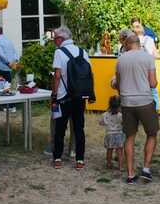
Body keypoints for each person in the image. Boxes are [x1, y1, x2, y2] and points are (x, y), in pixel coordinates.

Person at [115, 32, 159, 184]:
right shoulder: (148, 57)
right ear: (139, 44)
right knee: (152, 134)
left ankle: (130, 173)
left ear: (127, 44)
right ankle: (146, 168)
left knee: (130, 137)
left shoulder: (120, 60)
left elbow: (118, 84)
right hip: (145, 100)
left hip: (127, 102)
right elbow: (153, 84)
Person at [51, 26, 92, 170]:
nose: (54, 41)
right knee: (79, 128)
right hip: (80, 96)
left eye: (55, 38)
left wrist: (54, 95)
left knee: (60, 128)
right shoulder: (83, 52)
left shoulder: (59, 52)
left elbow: (57, 76)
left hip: (63, 96)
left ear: (61, 39)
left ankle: (57, 158)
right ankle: (79, 159)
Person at [100, 95, 124, 170]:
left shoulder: (105, 115)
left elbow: (101, 123)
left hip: (109, 134)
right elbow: (124, 123)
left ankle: (109, 163)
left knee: (109, 150)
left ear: (109, 104)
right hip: (119, 134)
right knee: (119, 151)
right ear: (119, 105)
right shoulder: (121, 115)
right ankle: (120, 166)